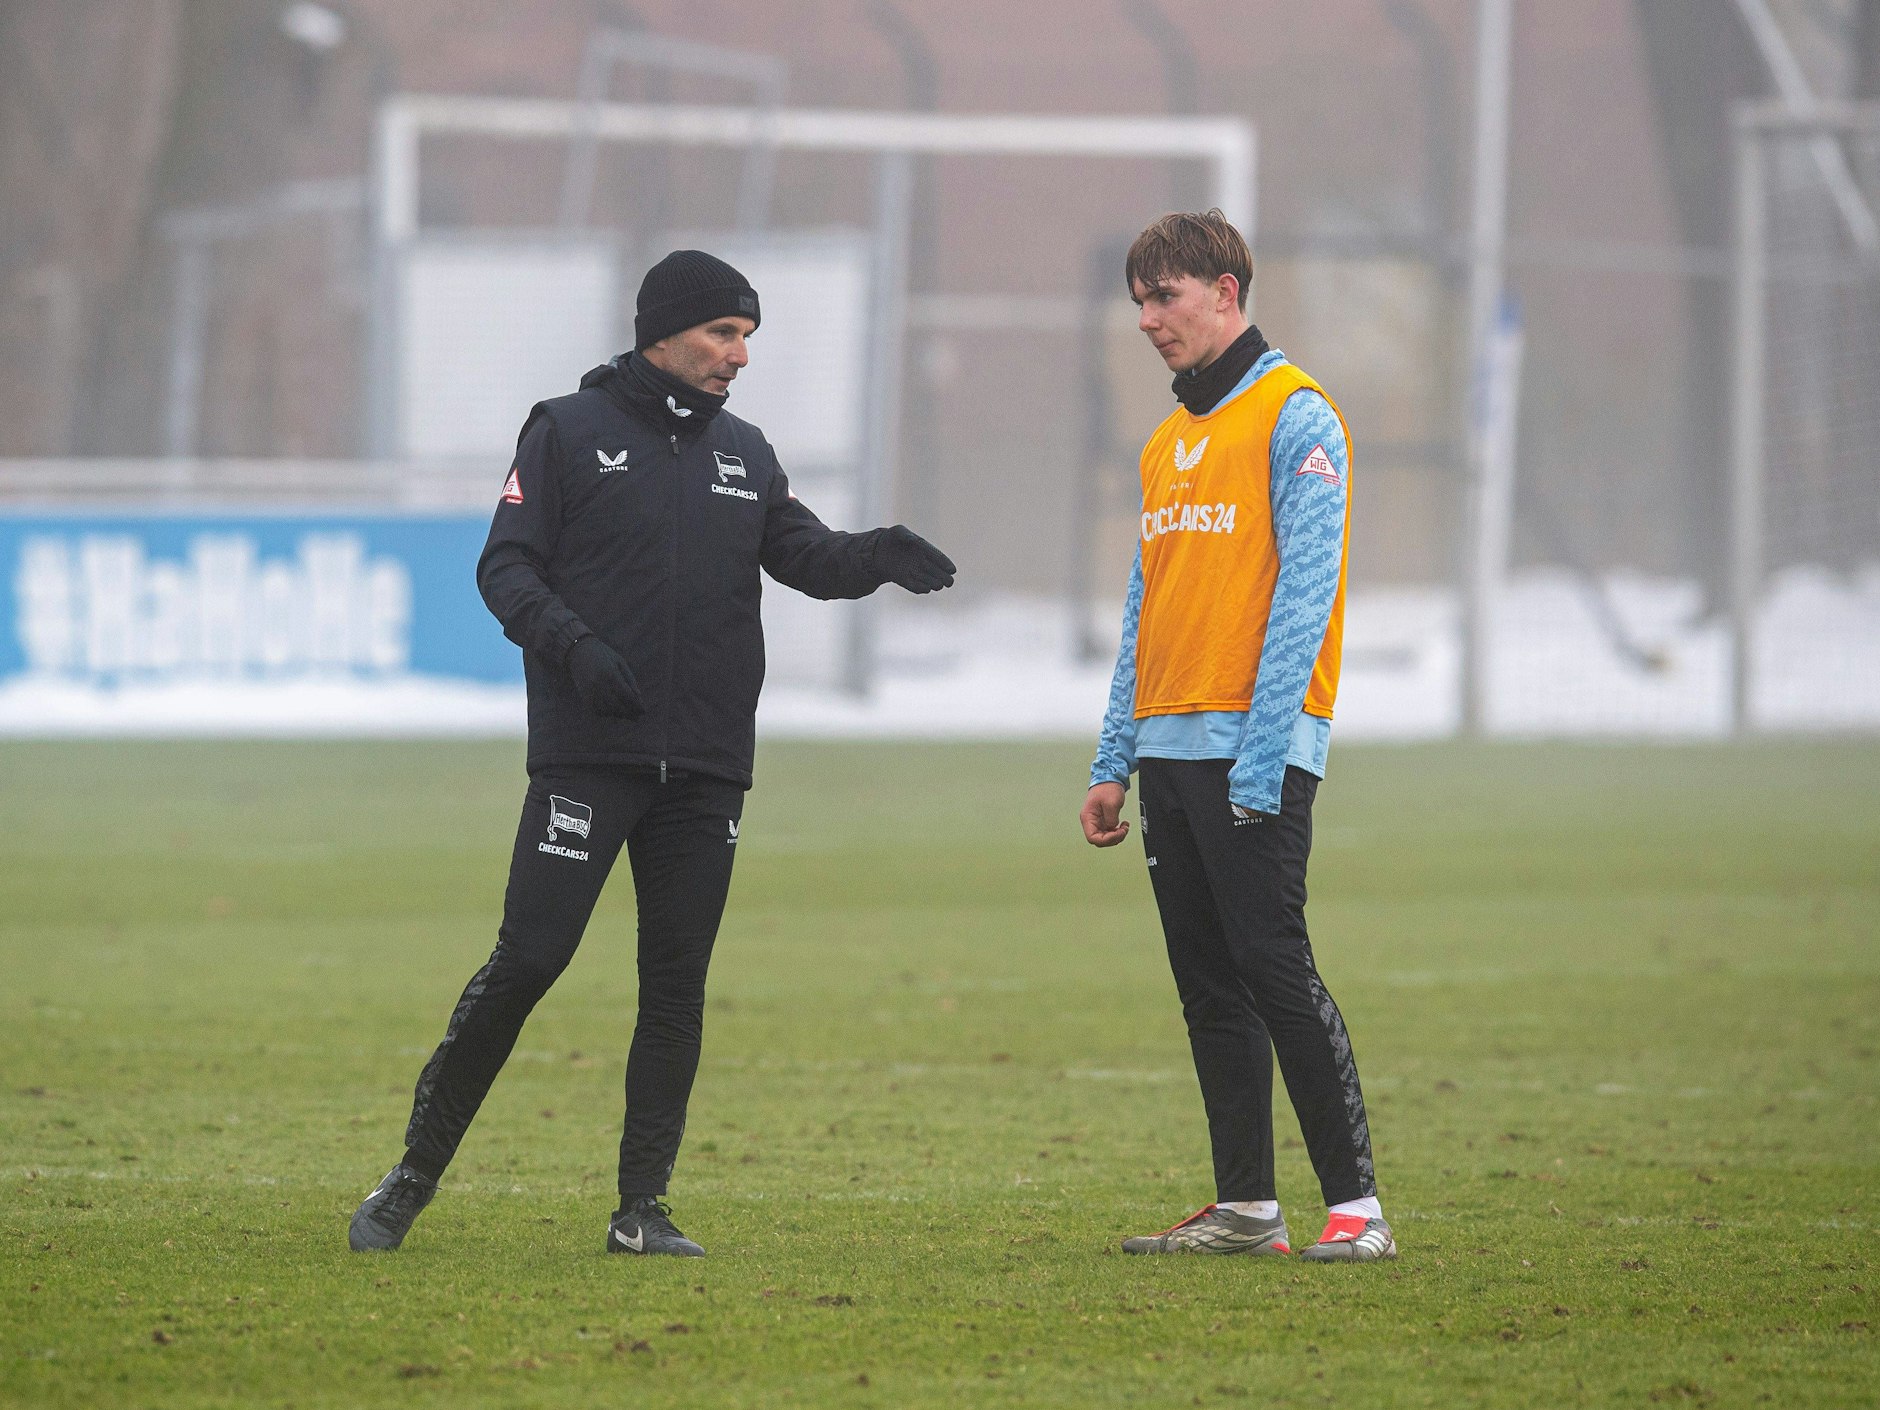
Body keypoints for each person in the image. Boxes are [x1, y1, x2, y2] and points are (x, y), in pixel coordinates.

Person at [349, 249, 956, 1258]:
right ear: (663, 332)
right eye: (723, 334)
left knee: (675, 987)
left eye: (747, 338)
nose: (738, 356)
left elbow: (803, 556)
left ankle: (641, 1209)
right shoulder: (566, 432)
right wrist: (576, 650)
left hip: (706, 765)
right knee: (529, 961)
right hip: (590, 758)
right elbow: (505, 569)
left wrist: (874, 557)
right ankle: (411, 1177)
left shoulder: (746, 454)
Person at [1080, 211, 1391, 1261]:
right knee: (1208, 983)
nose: (1146, 320)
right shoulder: (1165, 443)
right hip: (1164, 755)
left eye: (1163, 296)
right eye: (1137, 301)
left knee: (1271, 964)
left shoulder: (1298, 416)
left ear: (1225, 290)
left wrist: (1264, 756)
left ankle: (1355, 1211)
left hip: (1251, 753)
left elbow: (1305, 597)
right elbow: (1142, 608)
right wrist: (1111, 760)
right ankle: (1246, 1210)